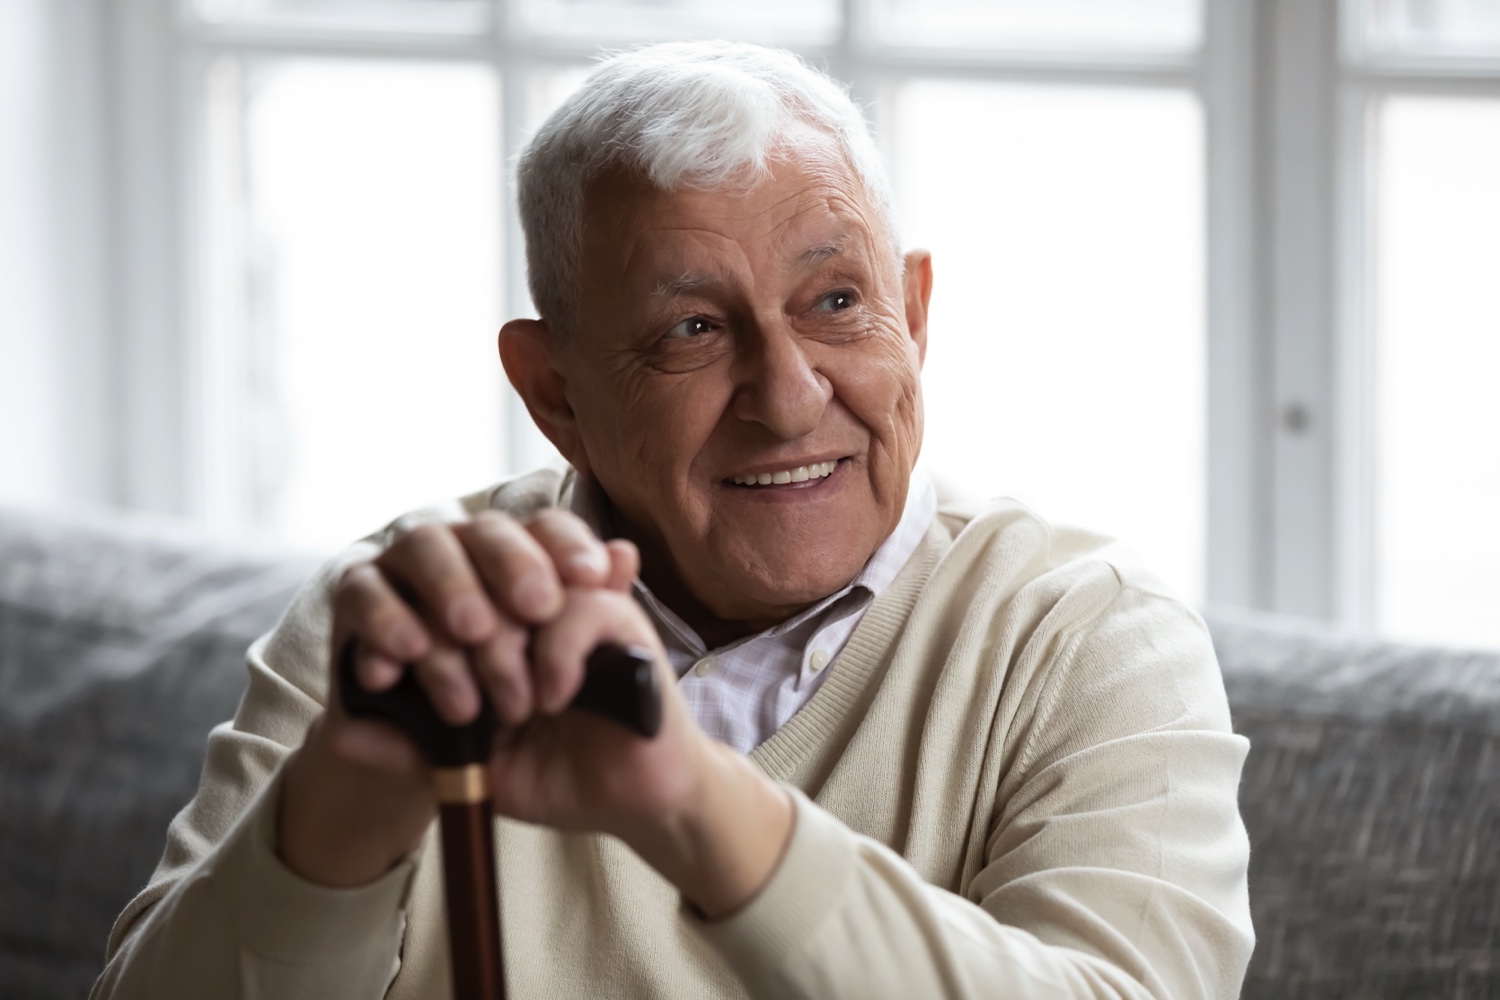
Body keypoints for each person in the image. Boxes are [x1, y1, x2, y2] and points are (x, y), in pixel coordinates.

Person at [93, 41, 1254, 1000]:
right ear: (556, 393)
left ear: (915, 312)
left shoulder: (1089, 636)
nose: (790, 394)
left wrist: (693, 802)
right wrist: (349, 794)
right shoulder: (416, 613)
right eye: (692, 329)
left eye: (838, 301)